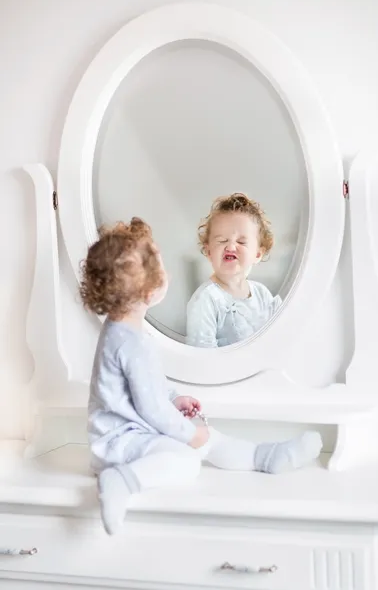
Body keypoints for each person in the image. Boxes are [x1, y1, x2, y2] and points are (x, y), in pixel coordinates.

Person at [80, 217, 322, 535]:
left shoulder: (127, 331)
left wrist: (175, 399)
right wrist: (189, 435)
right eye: (161, 269)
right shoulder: (129, 341)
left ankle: (263, 456)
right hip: (119, 446)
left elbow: (149, 386)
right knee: (188, 459)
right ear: (151, 289)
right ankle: (121, 481)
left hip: (133, 434)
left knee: (204, 434)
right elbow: (150, 408)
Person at [187, 193, 282, 347]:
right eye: (222, 240)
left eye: (241, 242)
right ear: (209, 252)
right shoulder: (206, 300)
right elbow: (202, 356)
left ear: (258, 254)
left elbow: (279, 337)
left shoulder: (262, 294)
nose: (230, 247)